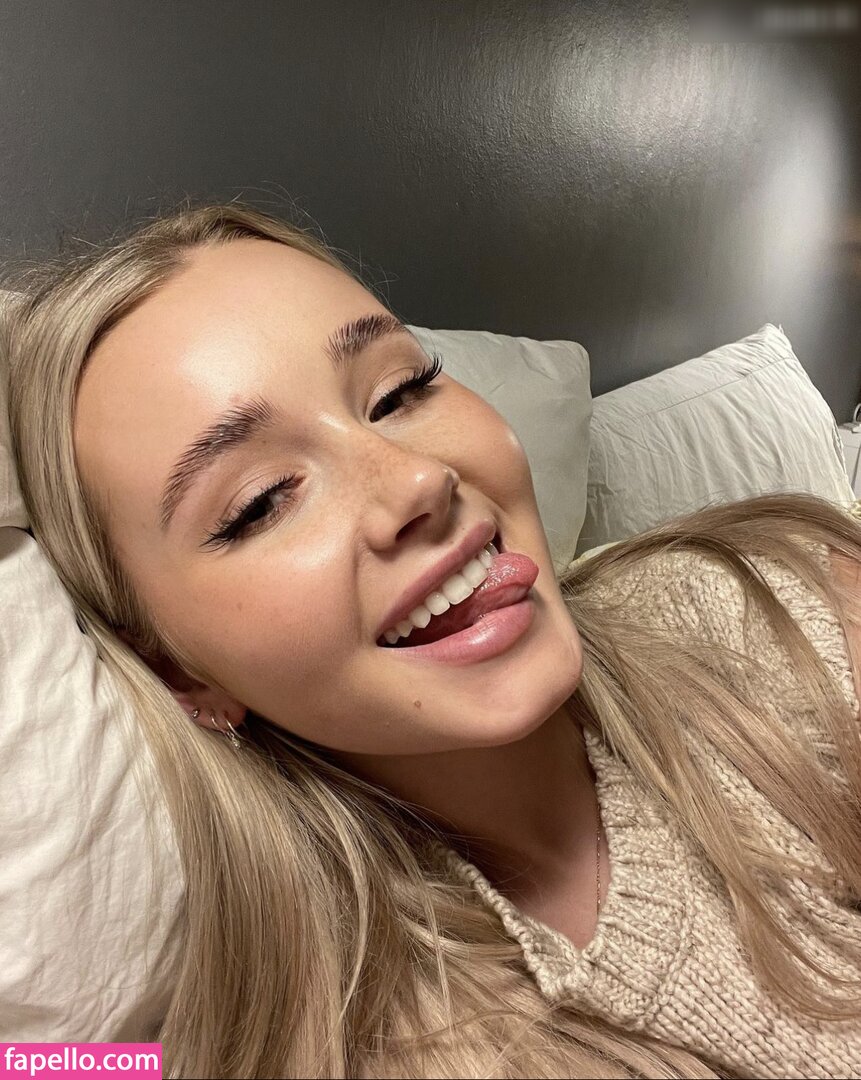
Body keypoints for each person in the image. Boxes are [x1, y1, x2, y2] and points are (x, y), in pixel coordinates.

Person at [3, 202, 861, 1079]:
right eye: (260, 502)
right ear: (178, 673)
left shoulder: (787, 603)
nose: (417, 479)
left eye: (400, 392)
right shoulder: (341, 1047)